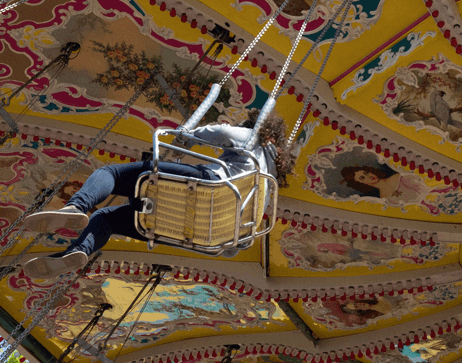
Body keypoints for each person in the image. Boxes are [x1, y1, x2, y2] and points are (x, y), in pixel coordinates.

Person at [18, 114, 296, 280]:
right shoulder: (265, 190)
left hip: (206, 187)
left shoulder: (254, 141)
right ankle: (78, 251)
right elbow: (236, 248)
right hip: (196, 230)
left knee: (112, 174)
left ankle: (75, 207)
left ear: (265, 135)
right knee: (108, 219)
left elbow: (221, 133)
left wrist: (191, 135)